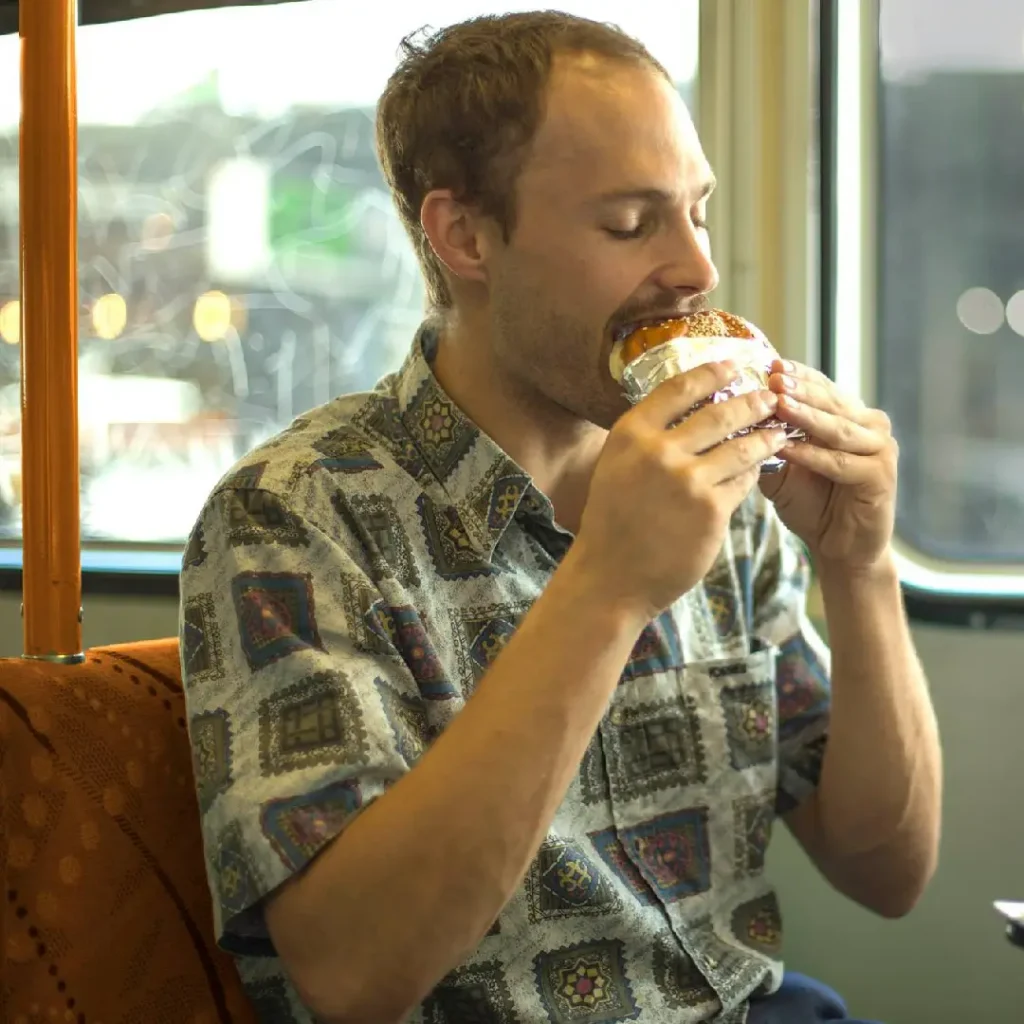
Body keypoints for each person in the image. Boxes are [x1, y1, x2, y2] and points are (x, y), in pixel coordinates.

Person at [178, 12, 941, 1023]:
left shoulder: (729, 487)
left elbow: (886, 872)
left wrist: (863, 565)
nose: (694, 270)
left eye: (696, 212)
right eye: (630, 224)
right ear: (464, 236)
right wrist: (607, 588)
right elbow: (353, 973)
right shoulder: (296, 515)